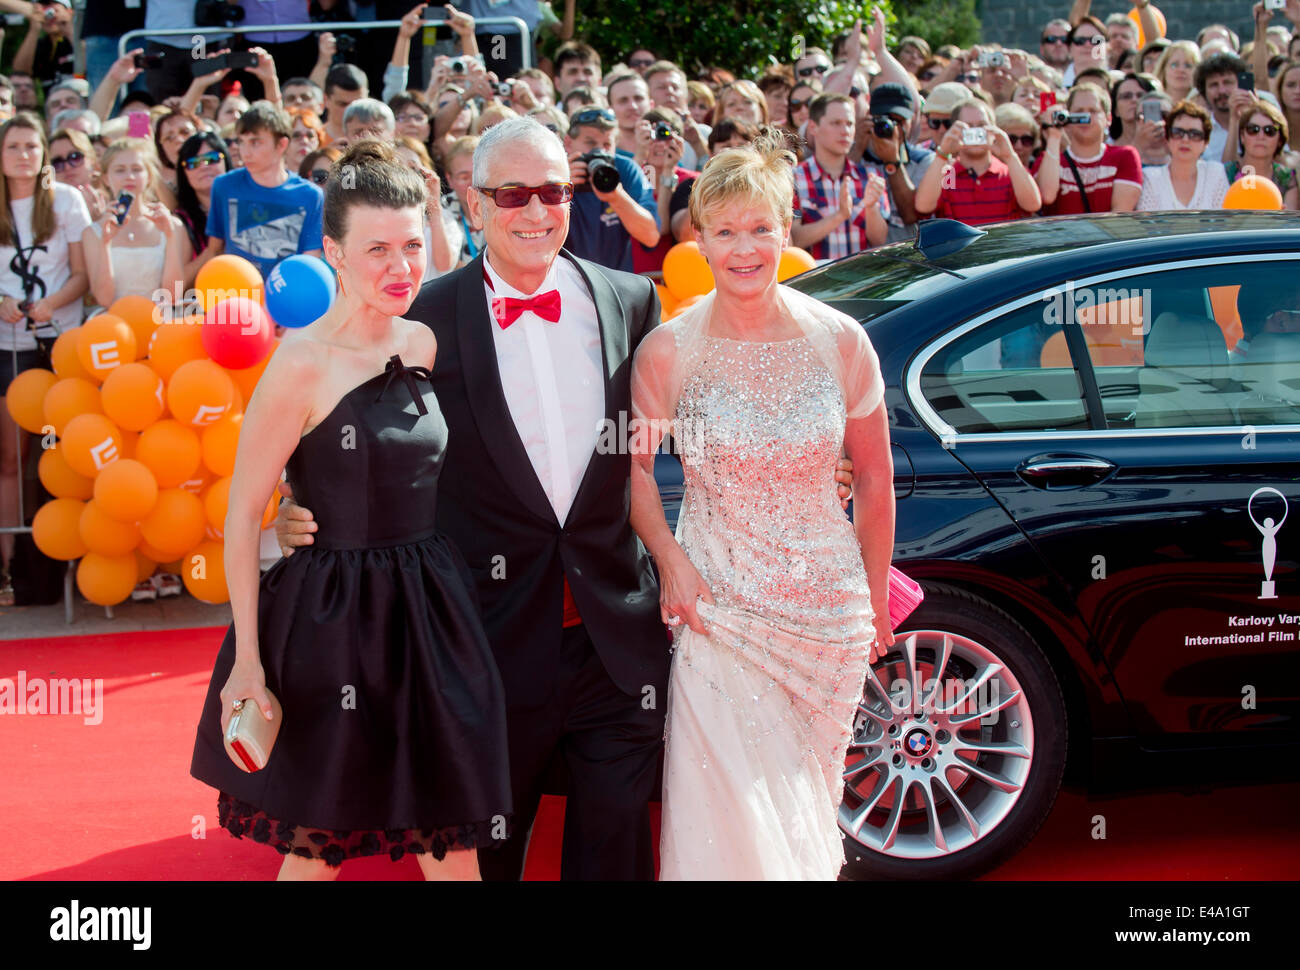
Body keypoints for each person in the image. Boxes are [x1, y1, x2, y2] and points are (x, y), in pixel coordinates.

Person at [274, 117, 670, 881]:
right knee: (486, 858)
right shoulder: (419, 318)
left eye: (554, 190)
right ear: (475, 201)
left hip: (614, 641)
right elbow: (341, 432)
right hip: (481, 645)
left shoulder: (631, 300)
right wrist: (300, 511)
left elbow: (682, 425)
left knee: (618, 852)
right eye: (513, 192)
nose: (536, 210)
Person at [190, 139, 510, 880]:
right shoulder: (297, 363)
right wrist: (246, 660)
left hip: (431, 613)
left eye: (410, 244)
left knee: (448, 830)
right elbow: (243, 515)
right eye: (376, 250)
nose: (401, 267)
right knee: (316, 840)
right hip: (331, 616)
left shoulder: (425, 340)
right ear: (332, 250)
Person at [628, 135, 895, 880]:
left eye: (759, 229)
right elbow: (636, 473)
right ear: (700, 238)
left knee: (806, 803)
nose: (744, 249)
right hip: (719, 605)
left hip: (827, 615)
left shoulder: (842, 341)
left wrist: (872, 596)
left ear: (786, 229)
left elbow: (873, 478)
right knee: (728, 811)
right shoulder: (667, 351)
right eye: (725, 231)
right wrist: (672, 566)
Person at [0, 111, 89, 605]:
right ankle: (10, 571)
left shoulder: (66, 201)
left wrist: (50, 304)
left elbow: (82, 275)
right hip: (6, 351)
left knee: (60, 457)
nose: (24, 155)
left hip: (59, 347)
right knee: (10, 459)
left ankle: (61, 572)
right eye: (13, 147)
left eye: (32, 146)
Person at [204, 101, 325, 278]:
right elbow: (215, 250)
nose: (245, 152)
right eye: (241, 142)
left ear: (281, 144)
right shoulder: (224, 185)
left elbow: (309, 263)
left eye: (255, 142)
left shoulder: (310, 196)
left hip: (285, 298)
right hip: (235, 295)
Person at [82, 138, 186, 307]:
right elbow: (104, 299)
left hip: (160, 325)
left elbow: (173, 295)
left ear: (149, 177)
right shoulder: (92, 233)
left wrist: (170, 236)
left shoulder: (174, 226)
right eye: (120, 170)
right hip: (114, 327)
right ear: (106, 178)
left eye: (137, 169)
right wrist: (105, 243)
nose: (129, 177)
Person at [914, 96, 1042, 226]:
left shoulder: (1010, 171)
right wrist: (943, 153)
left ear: (994, 129)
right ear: (955, 129)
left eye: (982, 126)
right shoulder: (948, 175)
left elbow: (1032, 205)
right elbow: (923, 207)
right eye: (968, 126)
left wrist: (1009, 155)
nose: (975, 132)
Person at [562, 105, 660, 272]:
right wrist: (559, 190)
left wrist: (616, 195)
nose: (599, 151)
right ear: (568, 143)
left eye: (607, 144)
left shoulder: (624, 169)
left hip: (615, 283)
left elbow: (651, 237)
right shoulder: (555, 171)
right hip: (565, 280)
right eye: (591, 143)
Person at [793, 93, 888, 259]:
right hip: (812, 282)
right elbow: (792, 240)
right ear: (813, 127)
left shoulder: (871, 176)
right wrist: (840, 216)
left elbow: (880, 239)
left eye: (850, 124)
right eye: (836, 123)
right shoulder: (792, 179)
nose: (845, 131)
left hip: (862, 279)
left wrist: (871, 207)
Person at [1040, 83, 1142, 214]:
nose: (1085, 118)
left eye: (1093, 111)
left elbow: (1120, 215)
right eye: (1078, 112)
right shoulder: (1049, 159)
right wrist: (1054, 136)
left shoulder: (1125, 156)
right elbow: (1047, 196)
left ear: (1108, 119)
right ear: (1067, 117)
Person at [861, 82, 936, 243]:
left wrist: (892, 161)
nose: (891, 127)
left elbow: (910, 215)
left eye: (898, 121)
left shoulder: (924, 159)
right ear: (870, 116)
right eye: (884, 119)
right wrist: (857, 145)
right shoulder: (857, 155)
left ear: (912, 120)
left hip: (908, 256)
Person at [1137, 101, 1229, 210]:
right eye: (1177, 132)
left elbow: (1222, 222)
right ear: (1167, 139)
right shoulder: (1150, 178)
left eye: (1194, 134)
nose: (1185, 140)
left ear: (1206, 143)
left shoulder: (1215, 173)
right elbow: (1148, 224)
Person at [174, 131, 231, 286]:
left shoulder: (247, 205)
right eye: (193, 163)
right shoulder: (180, 221)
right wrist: (211, 250)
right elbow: (177, 285)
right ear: (183, 173)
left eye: (212, 159)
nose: (204, 167)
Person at [1224, 98, 1299, 208]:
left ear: (1280, 140)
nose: (1261, 136)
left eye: (1270, 131)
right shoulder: (1224, 173)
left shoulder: (1287, 178)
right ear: (1242, 136)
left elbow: (1290, 222)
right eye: (1253, 129)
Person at [1196, 52, 1250, 162]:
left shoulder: (1259, 123)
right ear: (1204, 92)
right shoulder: (1199, 130)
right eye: (1214, 85)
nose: (1222, 91)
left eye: (1227, 83)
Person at [1155, 40, 1200, 105]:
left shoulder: (1205, 106)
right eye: (1174, 65)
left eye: (1188, 65)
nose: (1181, 70)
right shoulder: (1151, 101)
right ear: (1163, 69)